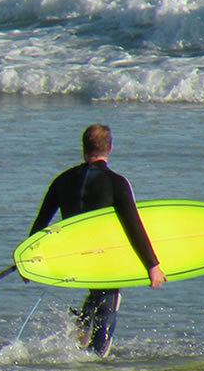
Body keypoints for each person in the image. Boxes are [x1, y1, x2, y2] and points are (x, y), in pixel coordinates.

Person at [28, 124, 167, 357]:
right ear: (110, 148)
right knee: (109, 303)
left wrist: (28, 262)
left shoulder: (61, 181)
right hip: (104, 259)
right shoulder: (116, 183)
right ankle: (95, 359)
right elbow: (133, 226)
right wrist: (152, 265)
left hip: (74, 258)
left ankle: (82, 326)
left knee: (96, 295)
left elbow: (40, 225)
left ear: (83, 148)